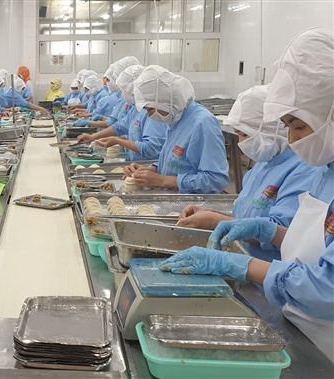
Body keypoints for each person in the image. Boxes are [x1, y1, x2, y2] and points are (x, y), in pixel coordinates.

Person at [159, 29, 334, 362]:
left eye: (297, 125)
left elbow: (328, 289)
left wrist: (238, 263)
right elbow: (317, 243)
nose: (292, 139)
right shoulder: (327, 171)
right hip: (297, 325)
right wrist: (268, 231)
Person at [177, 85, 318, 261]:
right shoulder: (264, 163)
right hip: (242, 257)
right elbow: (245, 217)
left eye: (244, 135)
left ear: (270, 129)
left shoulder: (305, 169)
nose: (240, 144)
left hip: (267, 274)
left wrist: (216, 221)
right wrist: (209, 213)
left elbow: (284, 235)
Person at [123, 65, 229, 194]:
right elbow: (176, 161)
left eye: (151, 109)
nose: (149, 116)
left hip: (192, 207)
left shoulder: (203, 123)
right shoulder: (175, 120)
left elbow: (215, 180)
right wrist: (151, 170)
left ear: (166, 101)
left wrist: (162, 180)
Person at [90, 65, 166, 161]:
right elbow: (119, 127)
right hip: (135, 164)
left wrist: (118, 140)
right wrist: (92, 136)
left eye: (124, 91)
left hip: (146, 166)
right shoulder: (135, 108)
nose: (123, 95)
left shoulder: (152, 112)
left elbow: (151, 149)